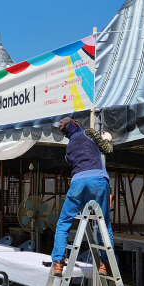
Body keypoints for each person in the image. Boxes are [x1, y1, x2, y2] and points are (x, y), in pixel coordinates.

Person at [51, 117, 114, 277]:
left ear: (66, 135)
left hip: (78, 182)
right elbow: (108, 150)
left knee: (64, 222)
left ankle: (58, 263)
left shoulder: (69, 147)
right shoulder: (89, 132)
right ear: (76, 124)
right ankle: (105, 264)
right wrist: (107, 139)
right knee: (103, 224)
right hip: (98, 180)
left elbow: (69, 160)